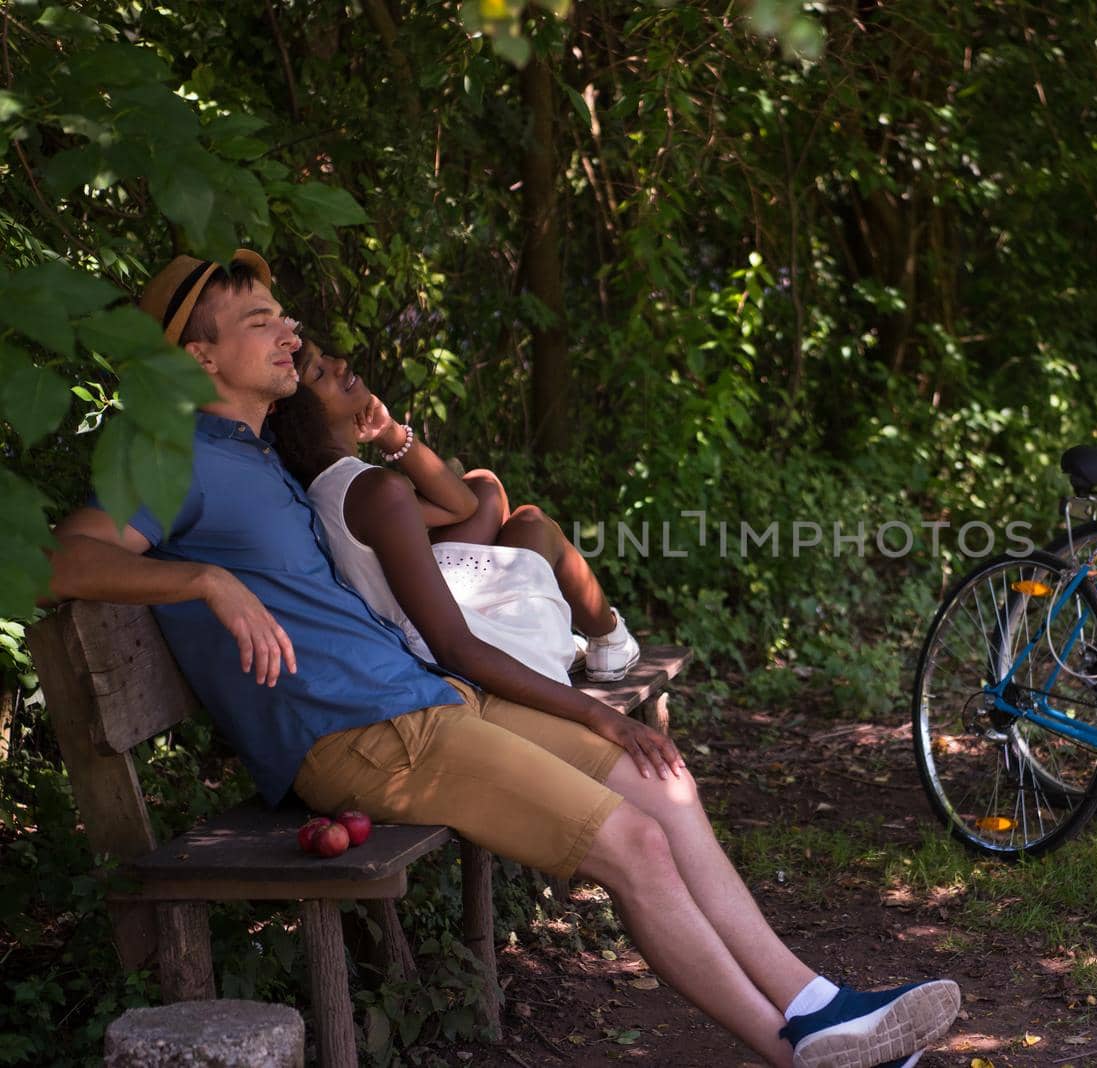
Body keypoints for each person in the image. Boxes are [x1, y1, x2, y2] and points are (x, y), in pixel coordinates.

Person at [46, 249, 958, 1068]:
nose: (290, 330)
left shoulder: (257, 454)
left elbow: (447, 515)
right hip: (359, 734)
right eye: (260, 321)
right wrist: (204, 581)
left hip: (426, 702)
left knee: (661, 786)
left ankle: (819, 1007)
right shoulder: (169, 458)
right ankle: (798, 1052)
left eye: (282, 314)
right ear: (198, 359)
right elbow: (57, 558)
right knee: (633, 843)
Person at [266, 333, 638, 687]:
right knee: (533, 525)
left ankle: (584, 632)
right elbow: (453, 637)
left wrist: (390, 433)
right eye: (319, 371)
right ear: (300, 414)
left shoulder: (330, 484)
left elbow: (464, 505)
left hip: (422, 623)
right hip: (453, 649)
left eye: (327, 356)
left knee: (485, 486)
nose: (340, 364)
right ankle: (609, 638)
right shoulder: (373, 491)